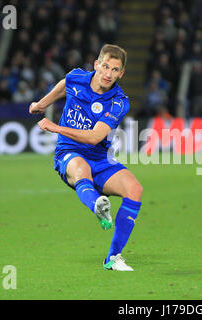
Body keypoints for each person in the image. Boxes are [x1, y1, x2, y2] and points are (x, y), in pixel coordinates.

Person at [28, 44, 143, 271]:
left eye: (115, 70)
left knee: (135, 190)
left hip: (99, 156)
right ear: (96, 65)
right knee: (81, 170)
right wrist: (42, 104)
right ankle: (98, 205)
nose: (108, 74)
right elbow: (64, 85)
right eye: (106, 67)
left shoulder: (119, 101)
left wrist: (55, 127)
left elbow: (94, 137)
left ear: (122, 74)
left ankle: (112, 258)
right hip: (69, 152)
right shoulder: (77, 77)